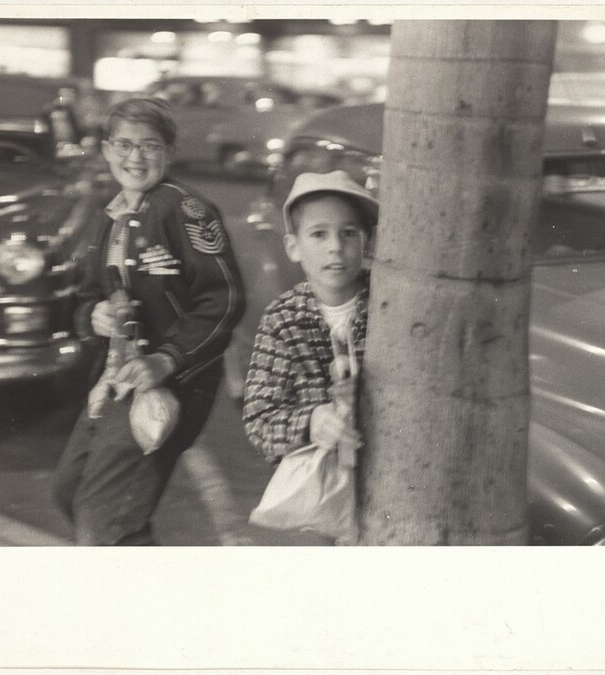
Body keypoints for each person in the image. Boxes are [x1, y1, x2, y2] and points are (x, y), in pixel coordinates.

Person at [53, 97, 245, 545]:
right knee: (69, 491)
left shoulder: (185, 209)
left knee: (104, 521)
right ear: (105, 149)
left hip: (170, 381)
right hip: (114, 379)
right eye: (123, 144)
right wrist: (93, 315)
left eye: (149, 146)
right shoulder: (110, 214)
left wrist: (168, 358)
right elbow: (87, 295)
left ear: (169, 152)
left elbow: (225, 298)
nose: (135, 157)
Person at [242, 170, 378, 470]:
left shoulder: (386, 303)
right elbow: (259, 419)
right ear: (293, 247)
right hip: (317, 482)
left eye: (348, 233)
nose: (335, 247)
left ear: (366, 242)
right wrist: (311, 421)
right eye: (319, 234)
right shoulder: (283, 319)